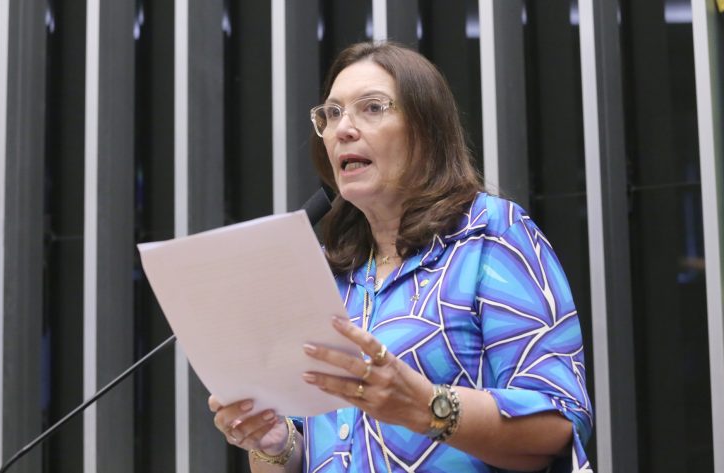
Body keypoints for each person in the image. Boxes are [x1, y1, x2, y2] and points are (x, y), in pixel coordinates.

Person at [208, 41, 593, 472]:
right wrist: (275, 443)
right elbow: (303, 454)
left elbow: (558, 422)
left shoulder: (489, 233)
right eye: (332, 113)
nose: (343, 129)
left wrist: (426, 408)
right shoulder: (325, 271)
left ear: (426, 130)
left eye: (372, 108)